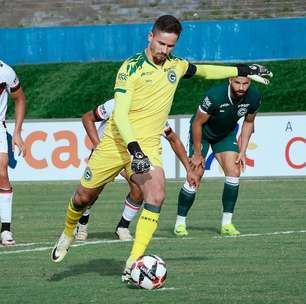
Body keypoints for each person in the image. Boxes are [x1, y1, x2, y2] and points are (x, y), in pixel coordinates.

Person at [50, 15, 272, 283]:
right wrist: (134, 149)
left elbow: (203, 70)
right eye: (161, 44)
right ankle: (68, 231)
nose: (165, 51)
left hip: (149, 146)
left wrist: (241, 69)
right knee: (82, 198)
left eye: (171, 46)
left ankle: (132, 263)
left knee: (156, 195)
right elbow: (119, 115)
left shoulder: (175, 66)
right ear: (150, 37)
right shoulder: (130, 68)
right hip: (117, 143)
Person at [75, 99, 198, 241]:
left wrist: (189, 169)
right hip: (108, 152)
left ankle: (123, 226)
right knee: (90, 194)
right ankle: (82, 222)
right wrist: (98, 147)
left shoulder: (154, 114)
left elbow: (173, 139)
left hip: (132, 157)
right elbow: (87, 118)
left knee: (141, 187)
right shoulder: (116, 104)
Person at [174, 76, 264, 237]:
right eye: (238, 82)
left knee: (234, 171)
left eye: (245, 83)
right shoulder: (215, 96)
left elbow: (249, 122)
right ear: (230, 80)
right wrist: (197, 153)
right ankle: (180, 223)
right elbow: (197, 123)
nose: (241, 87)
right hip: (202, 134)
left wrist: (243, 151)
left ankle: (227, 224)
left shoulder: (254, 96)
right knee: (195, 175)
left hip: (225, 135)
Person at [0, 60, 26, 245]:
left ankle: (6, 230)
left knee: (2, 173)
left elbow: (19, 99)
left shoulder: (6, 72)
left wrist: (16, 132)